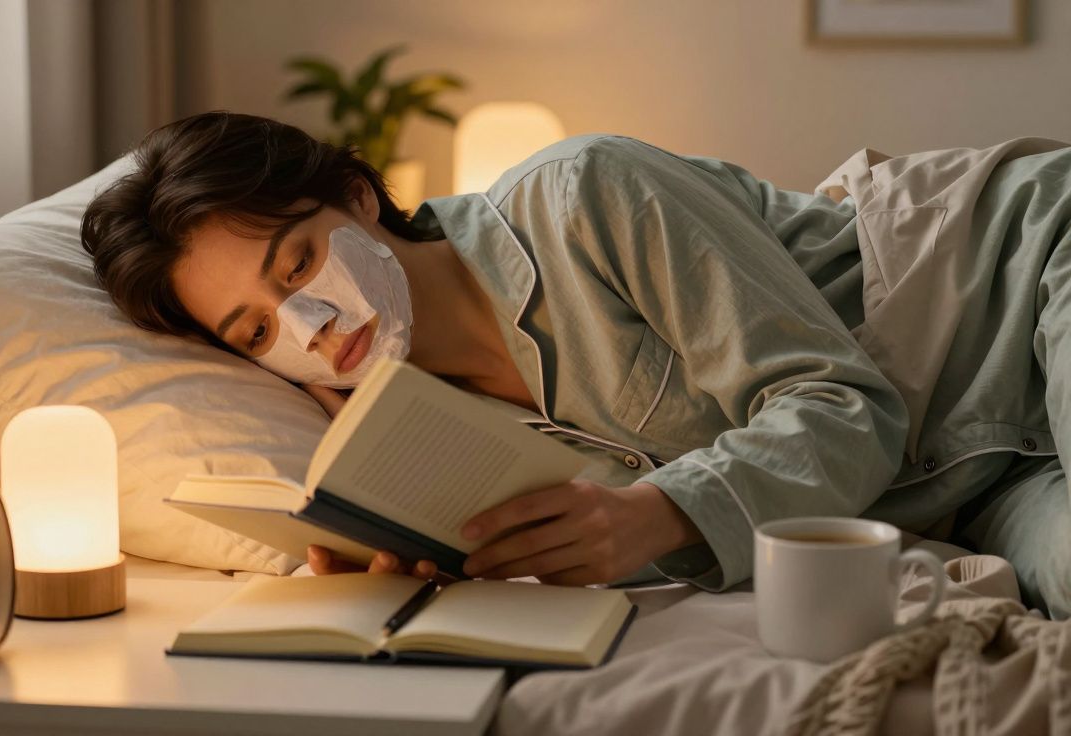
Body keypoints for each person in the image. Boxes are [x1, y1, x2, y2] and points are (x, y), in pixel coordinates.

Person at [81, 111, 1071, 618]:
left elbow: (842, 404)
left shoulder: (584, 194)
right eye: (255, 332)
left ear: (358, 196)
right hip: (960, 485)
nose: (309, 324)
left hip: (1017, 285)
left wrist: (661, 509)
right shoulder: (410, 440)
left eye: (297, 262)